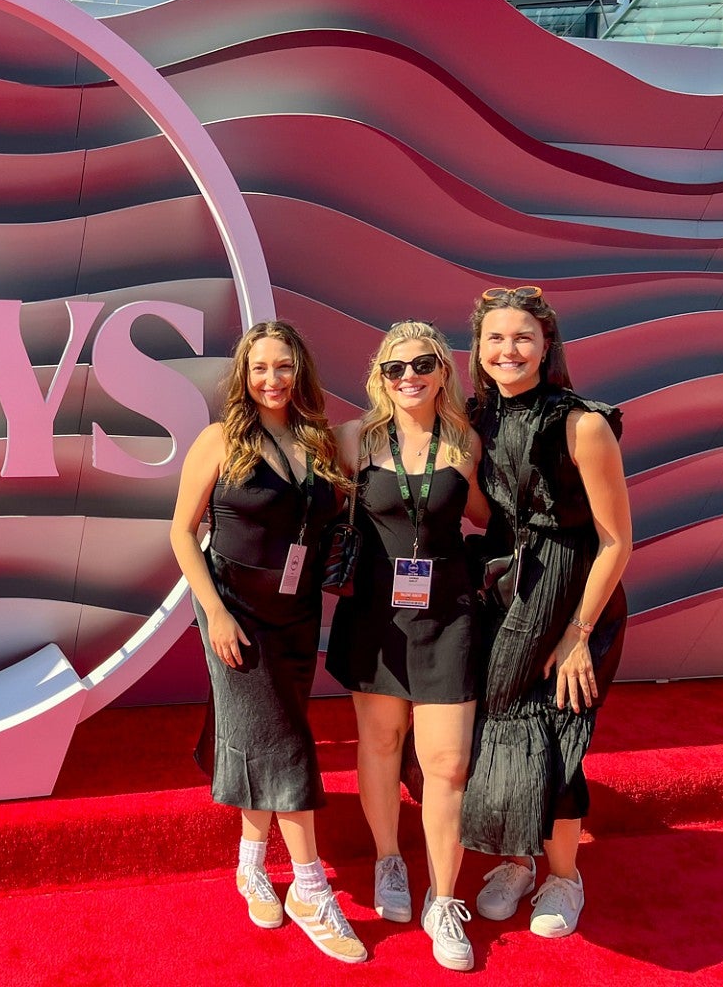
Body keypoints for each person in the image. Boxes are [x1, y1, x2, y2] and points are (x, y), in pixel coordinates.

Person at [171, 321, 366, 965]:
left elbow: (390, 420)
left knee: (267, 736)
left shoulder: (316, 439)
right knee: (284, 740)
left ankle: (251, 867)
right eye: (260, 368)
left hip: (297, 611)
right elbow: (181, 533)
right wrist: (216, 616)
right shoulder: (219, 441)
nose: (272, 379)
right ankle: (311, 889)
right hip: (235, 610)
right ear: (243, 373)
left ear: (300, 370)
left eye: (284, 367)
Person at [461, 286, 631, 940]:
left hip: (575, 599)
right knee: (504, 737)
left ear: (546, 346)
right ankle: (517, 862)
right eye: (495, 337)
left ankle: (564, 876)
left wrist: (579, 635)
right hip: (505, 596)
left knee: (557, 743)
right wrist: (467, 470)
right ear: (478, 348)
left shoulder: (582, 424)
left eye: (522, 337)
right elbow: (483, 517)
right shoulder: (480, 420)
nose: (509, 349)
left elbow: (616, 540)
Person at [326, 321, 482, 971]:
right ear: (380, 377)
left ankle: (443, 900)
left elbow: (481, 515)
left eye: (422, 363)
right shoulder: (354, 440)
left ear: (443, 370)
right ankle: (390, 859)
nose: (409, 375)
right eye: (396, 367)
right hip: (377, 621)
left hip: (447, 616)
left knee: (446, 764)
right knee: (382, 745)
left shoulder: (466, 441)